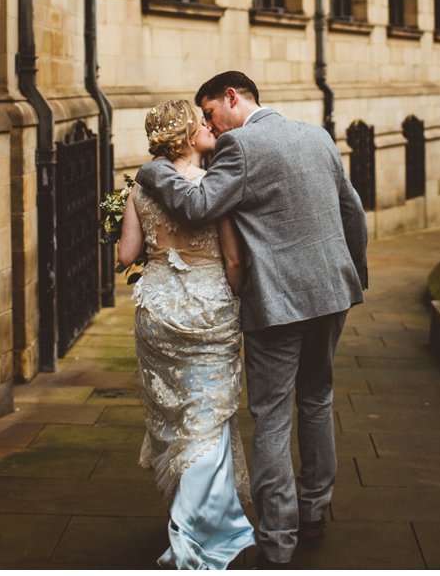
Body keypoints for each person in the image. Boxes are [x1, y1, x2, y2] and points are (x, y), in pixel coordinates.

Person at [135, 71, 369, 568]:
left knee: (271, 415)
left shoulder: (239, 147)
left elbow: (198, 206)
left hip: (278, 304)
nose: (211, 127)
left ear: (232, 97)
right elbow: (353, 211)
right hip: (332, 293)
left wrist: (153, 171)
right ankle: (314, 511)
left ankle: (280, 538)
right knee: (317, 401)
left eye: (211, 114)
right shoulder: (317, 135)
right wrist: (353, 276)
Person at [117, 99, 257, 569]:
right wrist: (238, 299)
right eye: (202, 123)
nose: (209, 127)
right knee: (208, 417)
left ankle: (189, 516)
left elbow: (126, 255)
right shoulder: (212, 188)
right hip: (209, 306)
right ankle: (197, 530)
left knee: (176, 418)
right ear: (186, 135)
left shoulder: (142, 185)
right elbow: (234, 261)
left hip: (157, 308)